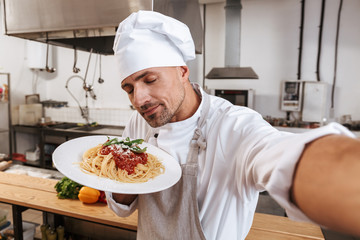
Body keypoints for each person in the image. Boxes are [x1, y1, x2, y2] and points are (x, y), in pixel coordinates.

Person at [105, 10, 360, 239]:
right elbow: (121, 207)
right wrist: (123, 176)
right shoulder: (138, 125)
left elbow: (282, 156)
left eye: (150, 80)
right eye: (129, 89)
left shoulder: (235, 125)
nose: (139, 100)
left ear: (183, 72)